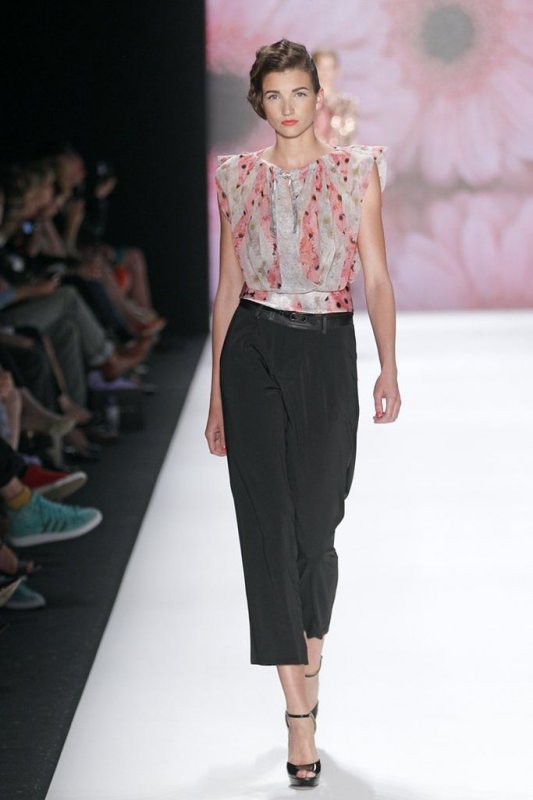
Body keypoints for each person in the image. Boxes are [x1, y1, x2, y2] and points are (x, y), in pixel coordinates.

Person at [205, 38, 401, 788]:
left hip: (325, 347)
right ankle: (298, 718)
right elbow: (228, 287)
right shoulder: (235, 176)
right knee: (268, 529)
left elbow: (376, 276)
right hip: (252, 348)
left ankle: (310, 656)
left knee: (317, 529)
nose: (287, 108)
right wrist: (217, 395)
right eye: (274, 95)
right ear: (259, 101)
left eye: (299, 93)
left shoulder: (356, 171)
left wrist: (388, 365)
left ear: (319, 97)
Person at [311, 48, 358, 146]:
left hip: (340, 154)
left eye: (329, 68)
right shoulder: (306, 101)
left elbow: (350, 138)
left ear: (337, 70)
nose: (325, 72)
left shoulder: (347, 103)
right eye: (320, 67)